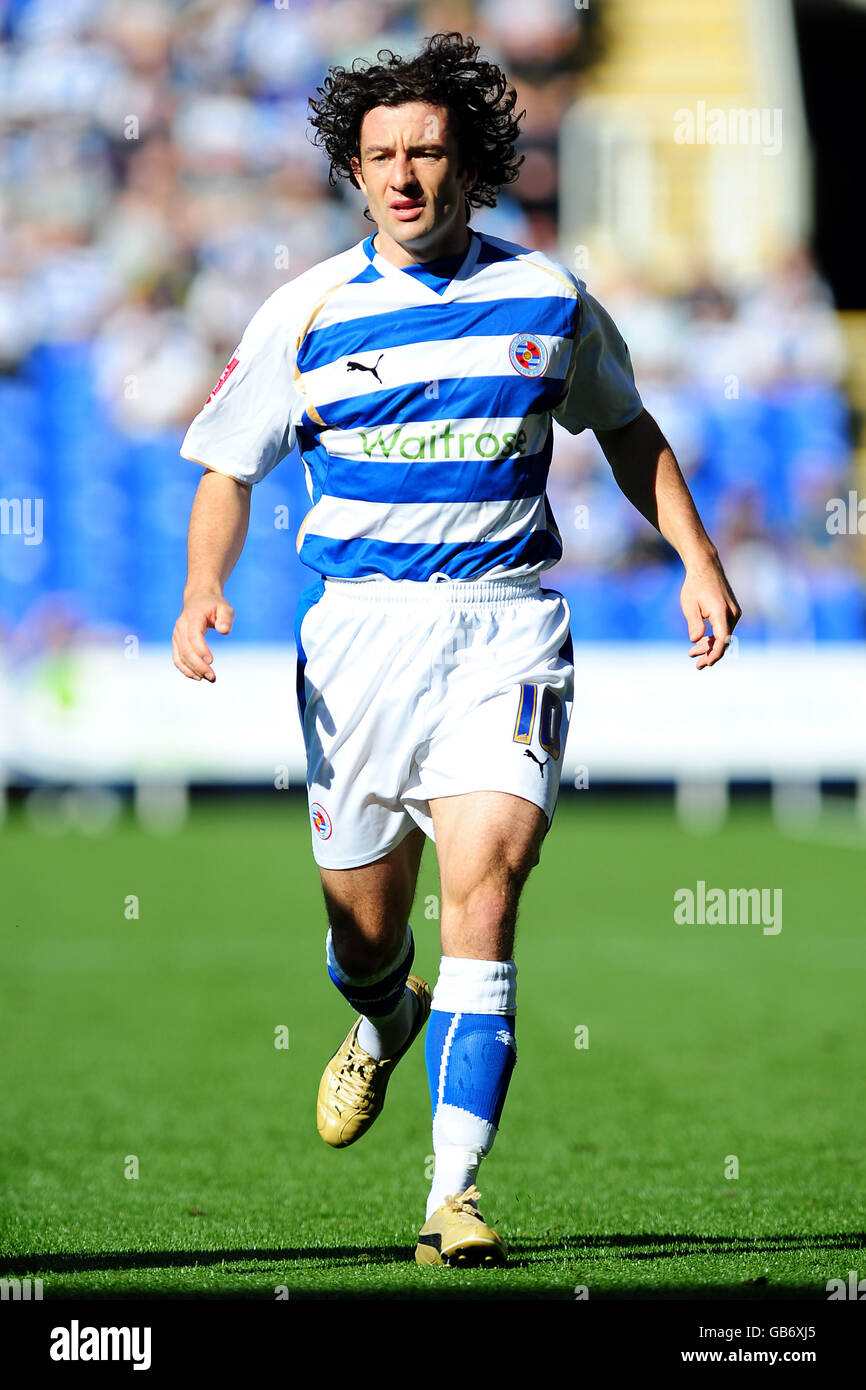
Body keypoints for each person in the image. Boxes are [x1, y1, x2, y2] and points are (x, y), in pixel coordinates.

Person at [172, 32, 741, 1268]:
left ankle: (452, 1197)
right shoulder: (307, 309)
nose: (402, 175)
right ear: (354, 169)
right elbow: (226, 463)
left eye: (425, 150)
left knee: (488, 882)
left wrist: (696, 556)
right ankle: (380, 1018)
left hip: (504, 625)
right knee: (366, 927)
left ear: (468, 160)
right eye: (380, 155)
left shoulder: (544, 296)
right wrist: (202, 588)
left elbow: (627, 426)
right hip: (358, 640)